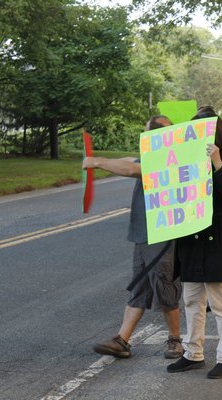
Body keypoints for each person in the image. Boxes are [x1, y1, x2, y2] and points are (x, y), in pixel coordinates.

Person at [167, 107, 222, 379]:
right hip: (194, 240)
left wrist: (218, 162)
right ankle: (193, 353)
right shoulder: (188, 158)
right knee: (192, 299)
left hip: (218, 238)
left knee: (221, 300)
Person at [84, 115, 183, 360]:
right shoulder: (153, 156)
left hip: (160, 235)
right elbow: (129, 160)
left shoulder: (168, 160)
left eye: (145, 132)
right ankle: (122, 340)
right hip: (144, 235)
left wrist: (97, 161)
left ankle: (175, 340)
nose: (142, 136)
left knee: (163, 286)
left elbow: (132, 169)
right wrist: (102, 161)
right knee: (140, 287)